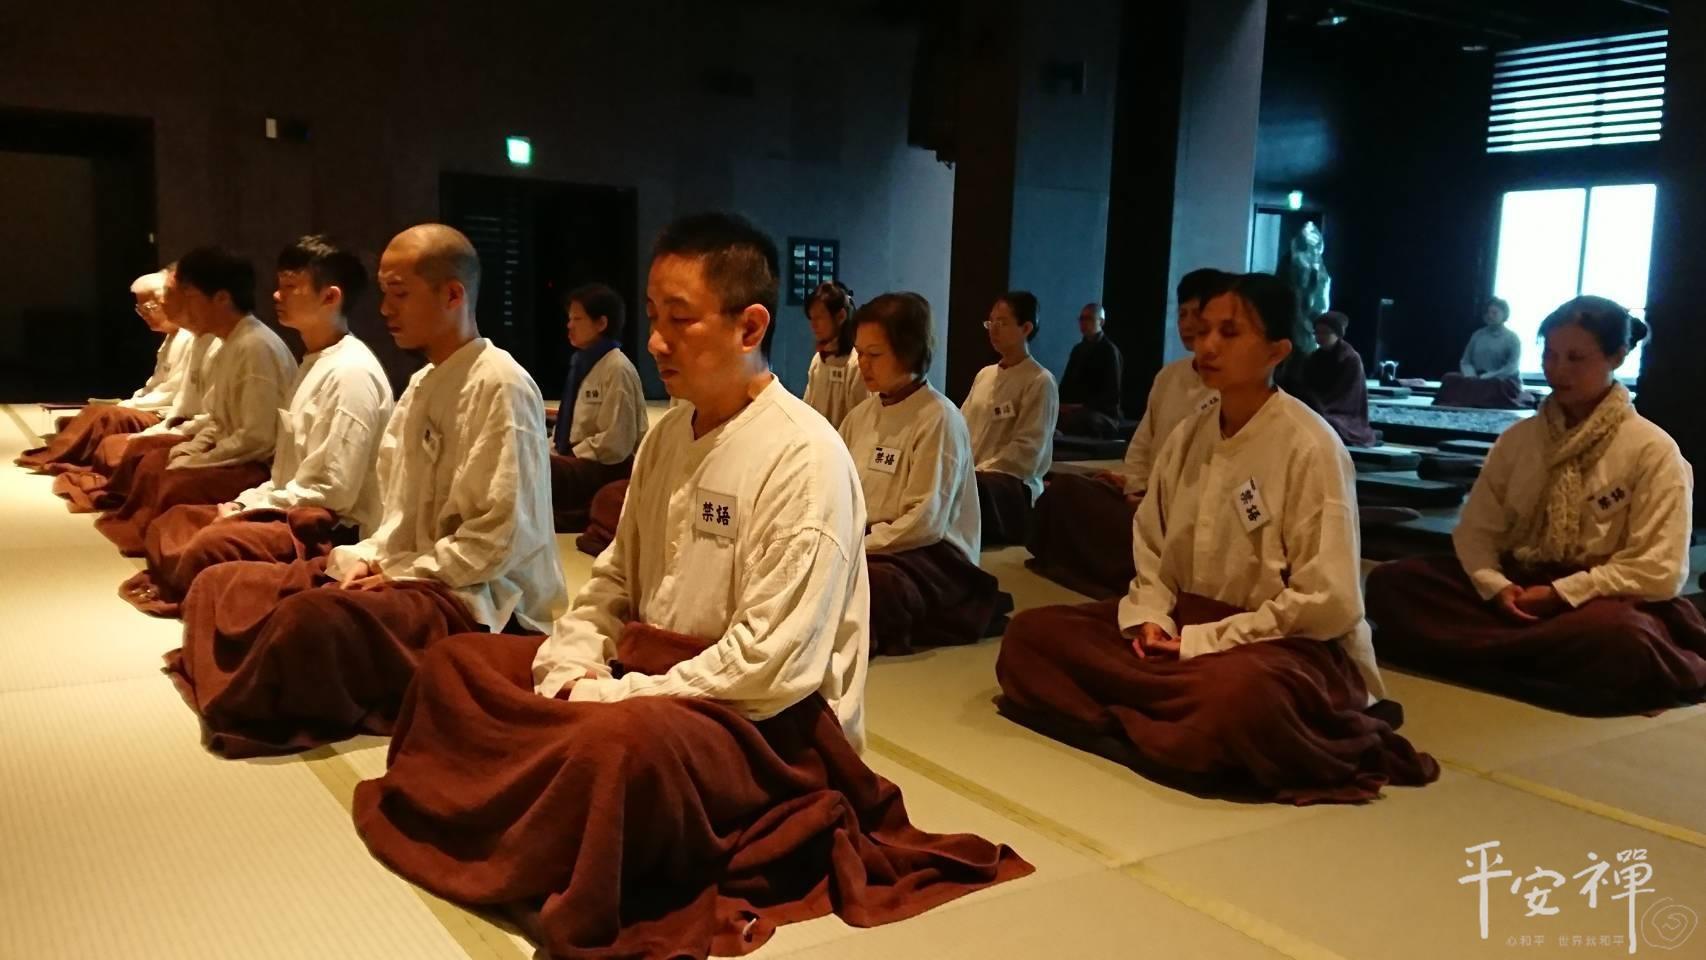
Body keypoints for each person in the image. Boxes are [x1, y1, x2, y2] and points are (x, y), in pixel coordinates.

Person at [349, 212, 1031, 959]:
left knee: (612, 748)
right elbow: (612, 581)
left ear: (750, 327)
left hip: (761, 723)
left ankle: (539, 822)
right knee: (456, 666)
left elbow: (771, 664)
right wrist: (573, 661)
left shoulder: (804, 454)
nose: (656, 341)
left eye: (680, 319)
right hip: (649, 676)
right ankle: (544, 804)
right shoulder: (670, 433)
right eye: (653, 317)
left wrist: (619, 696)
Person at [997, 272, 1439, 803]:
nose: (1206, 346)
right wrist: (1152, 618)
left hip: (1278, 646)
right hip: (1184, 625)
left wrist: (1205, 642)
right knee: (1032, 636)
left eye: (1229, 333)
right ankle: (1169, 722)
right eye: (1203, 330)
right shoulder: (1189, 434)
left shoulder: (1310, 446)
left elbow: (1328, 601)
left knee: (1239, 699)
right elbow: (1152, 548)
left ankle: (1157, 714)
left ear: (1276, 351)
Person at [164, 224, 566, 757]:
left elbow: (499, 539)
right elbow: (395, 512)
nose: (384, 309)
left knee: (309, 620)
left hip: (479, 599)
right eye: (384, 293)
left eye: (399, 293)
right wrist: (370, 558)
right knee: (223, 582)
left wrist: (399, 572)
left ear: (452, 294)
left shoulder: (501, 385)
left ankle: (261, 685)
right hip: (410, 569)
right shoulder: (422, 383)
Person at [1367, 297, 1705, 714]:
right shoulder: (1519, 440)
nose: (1557, 370)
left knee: (1623, 636)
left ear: (1617, 357)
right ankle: (1534, 658)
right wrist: (1496, 585)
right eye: (1549, 355)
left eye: (1576, 358)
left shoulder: (1652, 450)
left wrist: (1561, 593)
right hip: (1516, 589)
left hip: (1598, 599)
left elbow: (1660, 570)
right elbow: (1476, 531)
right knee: (1392, 584)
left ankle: (1487, 651)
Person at [119, 236, 393, 617]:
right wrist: (246, 501)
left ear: (330, 297)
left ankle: (199, 592)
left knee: (208, 543)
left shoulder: (350, 373)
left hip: (323, 526)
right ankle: (192, 584)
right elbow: (288, 468)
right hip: (287, 499)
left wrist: (248, 504)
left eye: (291, 286)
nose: (277, 296)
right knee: (175, 521)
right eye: (279, 285)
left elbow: (331, 491)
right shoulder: (317, 359)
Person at [1025, 269, 1223, 598]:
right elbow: (1143, 443)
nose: (1187, 324)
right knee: (1065, 491)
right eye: (1182, 314)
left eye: (1196, 314)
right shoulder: (1169, 377)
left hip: (1179, 510)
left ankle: (1138, 571)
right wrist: (1133, 484)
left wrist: (1151, 496)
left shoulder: (1230, 390)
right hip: (1146, 495)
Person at [92, 247, 296, 555]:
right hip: (234, 450)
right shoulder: (229, 342)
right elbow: (216, 419)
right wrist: (192, 449)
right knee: (156, 463)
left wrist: (199, 459)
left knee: (174, 480)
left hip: (256, 464)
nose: (183, 307)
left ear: (222, 298)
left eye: (189, 296)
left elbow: (257, 438)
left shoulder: (254, 346)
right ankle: (150, 537)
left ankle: (165, 546)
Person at [839, 292, 999, 655]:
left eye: (874, 354)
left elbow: (926, 522)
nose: (863, 364)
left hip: (931, 554)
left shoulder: (938, 418)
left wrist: (859, 546)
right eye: (859, 353)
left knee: (865, 583)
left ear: (909, 351)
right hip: (872, 540)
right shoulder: (860, 416)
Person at [16, 269, 194, 472]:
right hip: (154, 406)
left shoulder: (188, 338)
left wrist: (131, 405)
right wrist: (133, 401)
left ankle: (65, 455)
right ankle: (62, 452)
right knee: (93, 412)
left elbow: (171, 392)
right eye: (140, 309)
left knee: (108, 417)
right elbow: (155, 384)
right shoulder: (172, 338)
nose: (145, 315)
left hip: (166, 413)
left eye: (150, 307)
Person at [547, 283, 648, 532]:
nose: (569, 325)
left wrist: (569, 455)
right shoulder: (582, 362)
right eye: (569, 318)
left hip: (603, 466)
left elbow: (616, 443)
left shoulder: (617, 368)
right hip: (578, 461)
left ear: (601, 323)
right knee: (526, 456)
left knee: (544, 469)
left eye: (577, 319)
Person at [960, 291, 1058, 545]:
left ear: (1026, 328)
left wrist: (980, 470)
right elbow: (960, 428)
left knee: (969, 492)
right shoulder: (985, 375)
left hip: (1011, 484)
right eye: (990, 322)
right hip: (974, 477)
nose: (993, 329)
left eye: (1002, 323)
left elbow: (1028, 450)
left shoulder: (1040, 381)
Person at [1435, 298, 1529, 409]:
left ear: (1504, 314)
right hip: (1476, 377)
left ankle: (1475, 401)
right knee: (1449, 378)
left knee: (1493, 385)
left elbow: (1512, 367)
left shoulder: (1512, 338)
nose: (1490, 316)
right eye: (1487, 313)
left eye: (1494, 313)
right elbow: (1466, 361)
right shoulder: (1477, 335)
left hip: (1501, 379)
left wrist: (1488, 376)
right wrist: (1471, 375)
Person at [1302, 311, 1378, 447]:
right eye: (1317, 333)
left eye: (1325, 333)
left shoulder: (1350, 359)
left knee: (1327, 421)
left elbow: (1348, 396)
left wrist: (1321, 407)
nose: (1320, 337)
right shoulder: (1313, 358)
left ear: (1337, 334)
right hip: (1318, 406)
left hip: (1342, 412)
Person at [800, 280, 869, 428]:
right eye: (811, 318)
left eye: (819, 317)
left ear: (840, 316)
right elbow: (807, 409)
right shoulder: (819, 359)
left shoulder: (856, 364)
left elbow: (862, 423)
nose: (813, 325)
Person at [1056, 302, 1123, 437]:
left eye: (1088, 319)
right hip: (1076, 408)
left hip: (1102, 413)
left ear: (1101, 322)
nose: (1083, 323)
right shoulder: (1078, 350)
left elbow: (1111, 395)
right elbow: (1066, 383)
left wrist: (1079, 406)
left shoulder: (1109, 351)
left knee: (1081, 419)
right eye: (1081, 319)